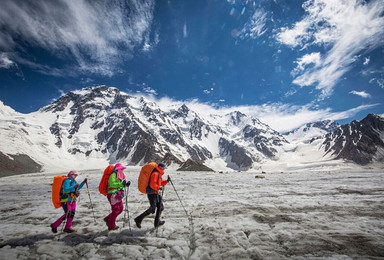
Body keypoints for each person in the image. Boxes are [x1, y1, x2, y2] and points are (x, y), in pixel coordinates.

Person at [134, 163, 170, 229]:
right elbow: (152, 185)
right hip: (152, 193)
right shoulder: (155, 174)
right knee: (153, 208)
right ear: (161, 167)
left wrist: (166, 181)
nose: (164, 169)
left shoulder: (158, 173)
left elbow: (159, 183)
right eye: (163, 168)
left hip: (155, 193)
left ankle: (157, 222)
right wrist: (159, 188)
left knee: (160, 207)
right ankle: (138, 219)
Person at [104, 163, 130, 230]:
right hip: (112, 194)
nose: (122, 170)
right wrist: (121, 184)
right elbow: (112, 184)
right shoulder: (113, 175)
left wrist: (125, 185)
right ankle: (111, 225)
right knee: (116, 210)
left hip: (117, 194)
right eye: (121, 169)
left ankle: (108, 219)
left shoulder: (117, 175)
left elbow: (118, 185)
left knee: (120, 208)